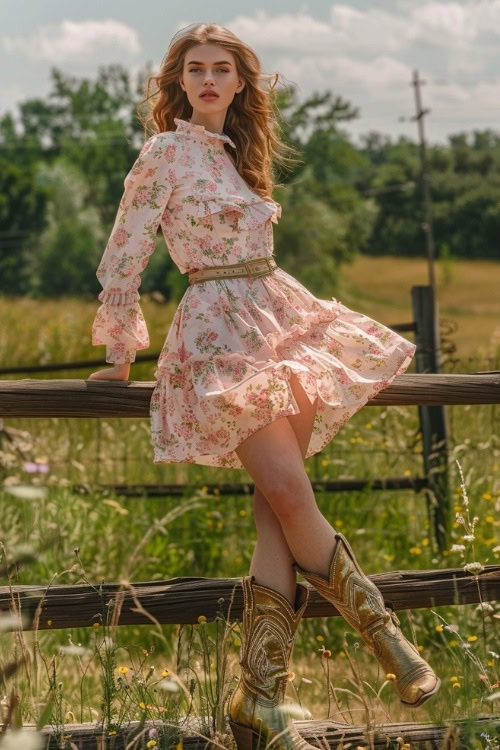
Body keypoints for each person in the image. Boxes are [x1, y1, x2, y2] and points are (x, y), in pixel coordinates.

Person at [88, 22, 440, 750]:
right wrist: (121, 350)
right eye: (196, 69)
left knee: (274, 513)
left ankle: (260, 698)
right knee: (288, 494)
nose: (209, 79)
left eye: (222, 68)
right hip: (215, 331)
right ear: (178, 83)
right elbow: (126, 248)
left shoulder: (243, 157)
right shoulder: (165, 152)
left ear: (241, 82)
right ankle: (385, 636)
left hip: (279, 315)